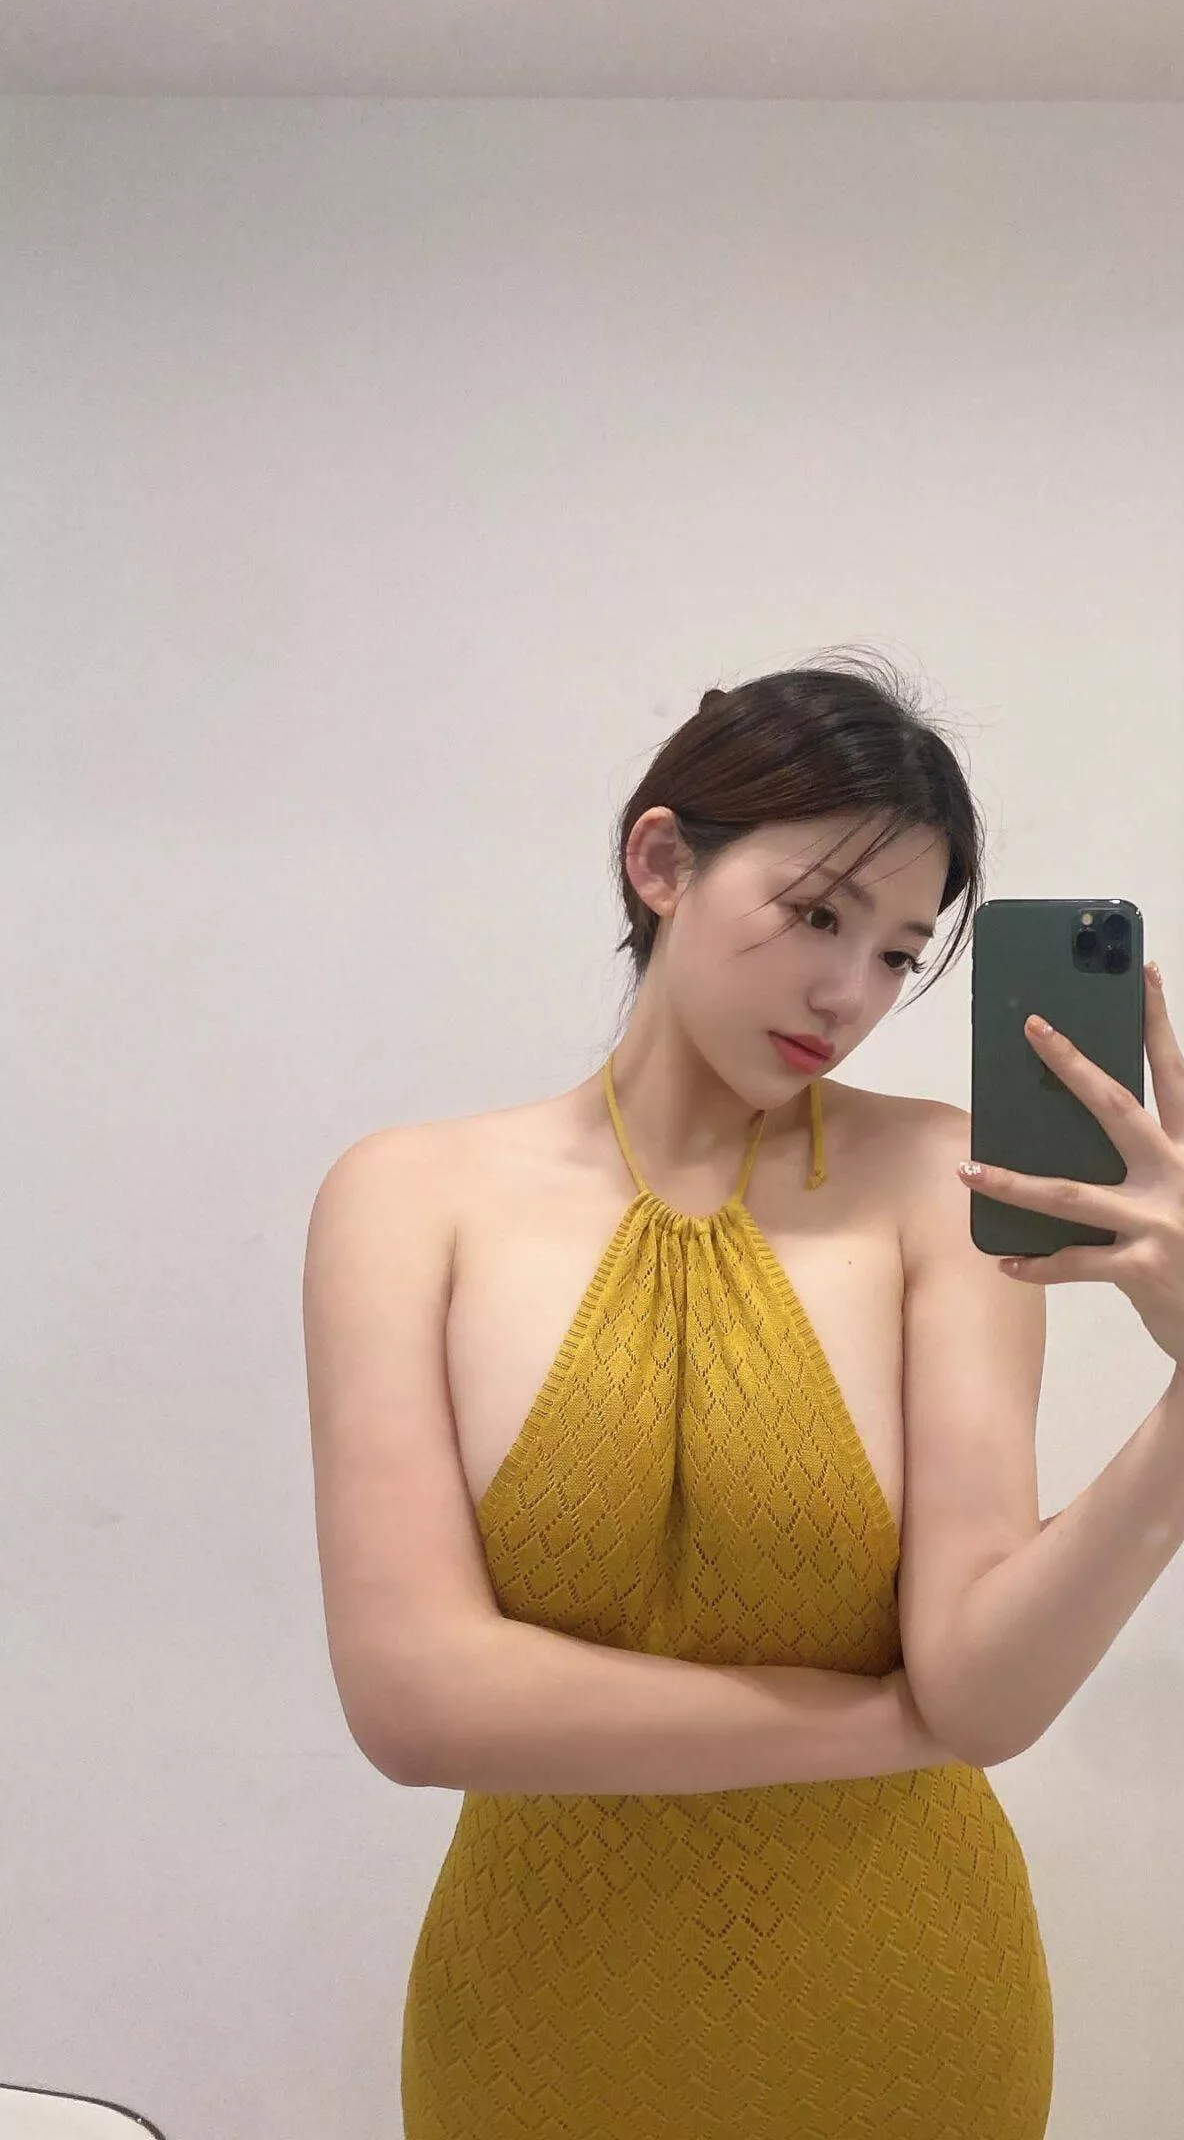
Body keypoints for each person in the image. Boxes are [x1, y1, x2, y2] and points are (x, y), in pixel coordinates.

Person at [303, 650, 1053, 2138]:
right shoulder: (408, 1198)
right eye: (818, 913)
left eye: (898, 954)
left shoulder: (942, 1177)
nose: (849, 993)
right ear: (662, 862)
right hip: (538, 2013)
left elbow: (986, 1672)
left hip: (906, 1997)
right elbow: (415, 1703)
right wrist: (896, 1728)